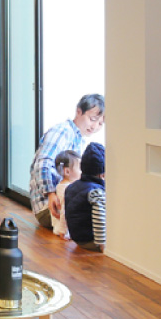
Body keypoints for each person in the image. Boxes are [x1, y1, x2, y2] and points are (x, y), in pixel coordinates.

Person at [28, 93, 104, 229]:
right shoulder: (62, 131)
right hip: (51, 208)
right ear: (78, 111)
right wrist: (51, 194)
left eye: (100, 124)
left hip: (63, 203)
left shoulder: (79, 140)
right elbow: (43, 163)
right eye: (92, 119)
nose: (95, 127)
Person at [64, 142, 106, 252]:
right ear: (102, 174)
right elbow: (99, 219)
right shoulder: (96, 192)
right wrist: (103, 245)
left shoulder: (71, 187)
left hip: (78, 239)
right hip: (92, 241)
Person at [50, 150, 81, 240]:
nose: (82, 171)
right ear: (67, 171)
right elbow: (64, 210)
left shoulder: (62, 186)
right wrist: (63, 231)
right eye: (80, 168)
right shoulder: (66, 189)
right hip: (64, 230)